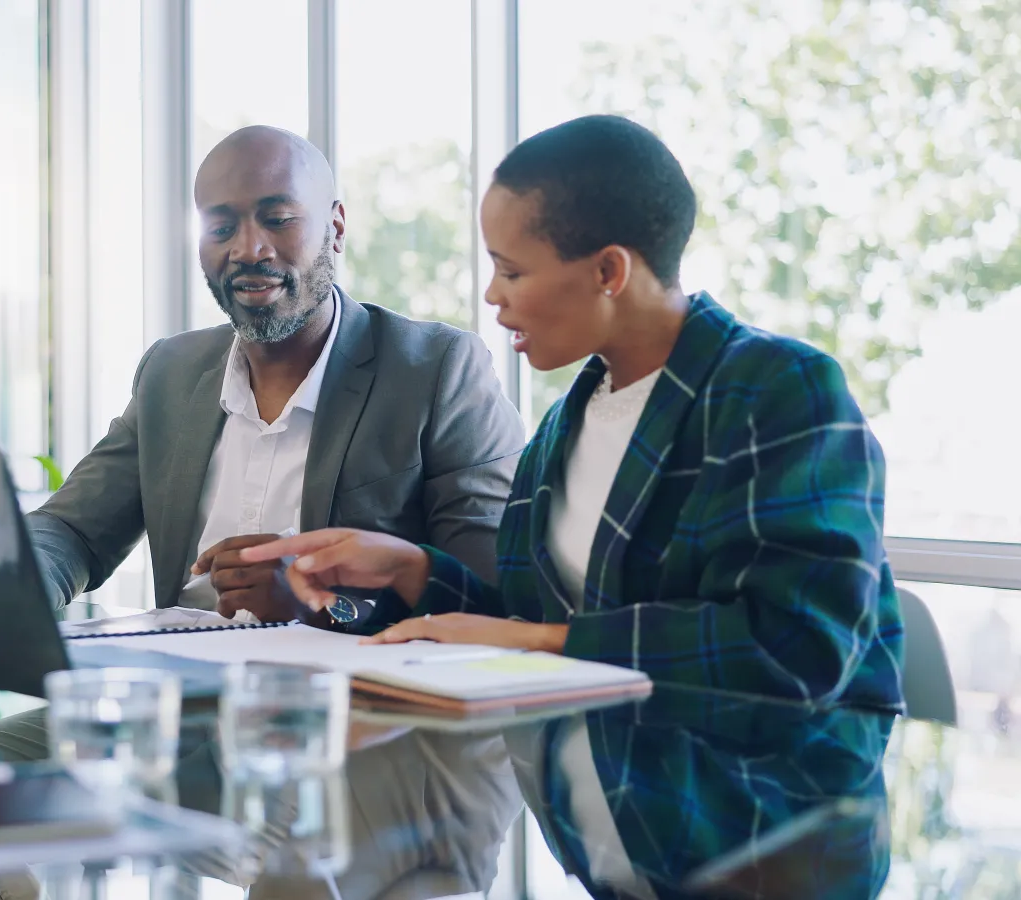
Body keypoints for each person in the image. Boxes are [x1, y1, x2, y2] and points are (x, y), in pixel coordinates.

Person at [242, 115, 905, 894]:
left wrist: (536, 641)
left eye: (511, 271)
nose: (492, 296)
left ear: (609, 270)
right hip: (619, 866)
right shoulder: (566, 423)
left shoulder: (776, 392)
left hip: (759, 860)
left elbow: (797, 648)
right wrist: (412, 569)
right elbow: (533, 621)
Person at [29, 124, 525, 625]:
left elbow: (492, 595)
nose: (248, 250)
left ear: (336, 228)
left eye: (279, 219)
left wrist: (324, 607)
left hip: (351, 694)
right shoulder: (170, 373)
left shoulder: (437, 371)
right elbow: (74, 531)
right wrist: (5, 587)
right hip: (185, 688)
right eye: (220, 229)